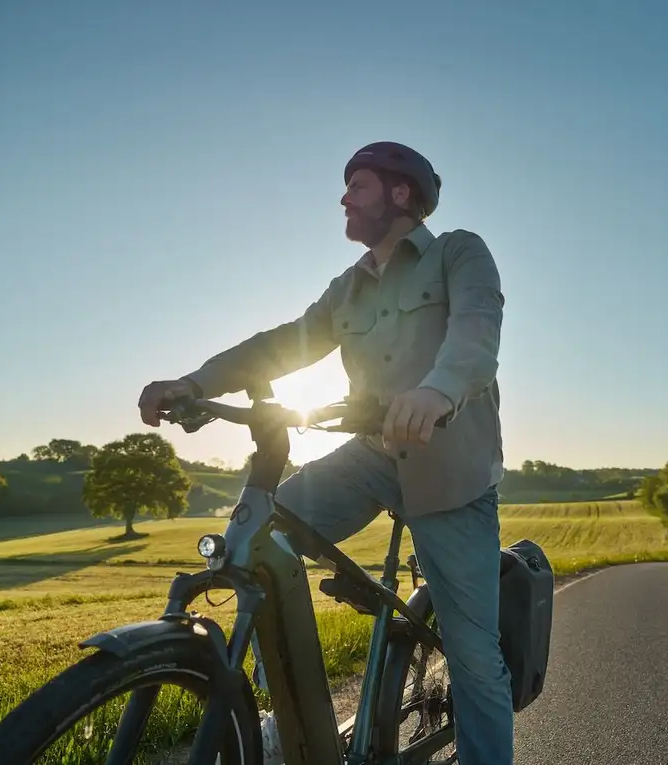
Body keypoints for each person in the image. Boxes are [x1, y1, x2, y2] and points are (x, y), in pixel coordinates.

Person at [138, 141, 512, 765]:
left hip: (452, 475)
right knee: (262, 538)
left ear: (399, 194)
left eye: (357, 186)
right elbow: (282, 344)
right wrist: (196, 383)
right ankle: (280, 720)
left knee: (476, 660)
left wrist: (436, 391)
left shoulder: (458, 252)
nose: (343, 197)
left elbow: (477, 331)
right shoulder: (347, 289)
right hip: (371, 456)